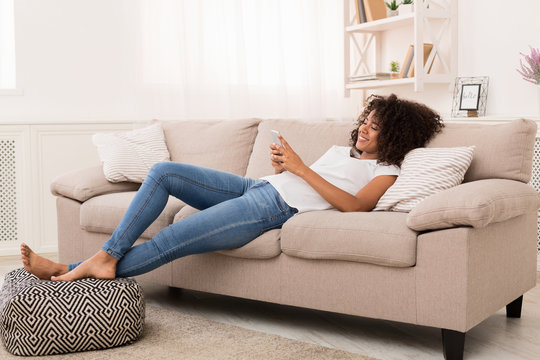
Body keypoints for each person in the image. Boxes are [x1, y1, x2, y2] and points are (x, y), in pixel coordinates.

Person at [20, 94, 443, 281]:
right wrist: (286, 166)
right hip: (254, 186)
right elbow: (308, 182)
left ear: (395, 136)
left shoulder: (386, 170)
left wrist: (299, 168)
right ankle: (105, 257)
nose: (364, 130)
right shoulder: (341, 150)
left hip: (269, 210)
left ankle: (68, 270)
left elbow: (354, 208)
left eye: (374, 127)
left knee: (170, 239)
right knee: (164, 170)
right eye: (365, 122)